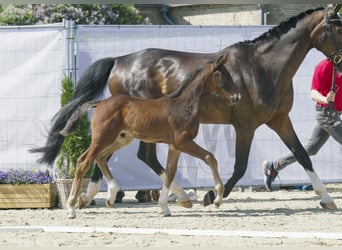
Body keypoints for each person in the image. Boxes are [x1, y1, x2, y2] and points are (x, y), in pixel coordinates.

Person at [263, 57, 342, 191]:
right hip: (326, 114)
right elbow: (313, 93)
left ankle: (274, 167)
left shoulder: (339, 65)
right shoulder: (323, 66)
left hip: (334, 113)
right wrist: (325, 99)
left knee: (311, 149)